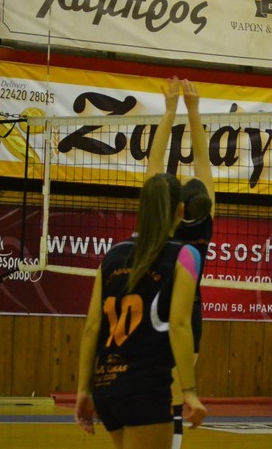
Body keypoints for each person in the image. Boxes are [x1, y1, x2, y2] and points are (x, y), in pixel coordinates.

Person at [74, 169, 207, 444]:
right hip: (145, 387)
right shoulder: (185, 255)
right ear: (181, 211)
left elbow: (92, 328)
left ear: (142, 209)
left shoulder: (112, 256)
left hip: (106, 386)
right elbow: (180, 325)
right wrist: (189, 392)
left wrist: (83, 390)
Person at [145, 77, 215, 449]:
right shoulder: (206, 223)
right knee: (178, 391)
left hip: (157, 306)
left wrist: (171, 110)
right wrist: (194, 110)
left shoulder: (164, 222)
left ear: (178, 208)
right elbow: (203, 161)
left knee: (159, 392)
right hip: (192, 309)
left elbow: (155, 163)